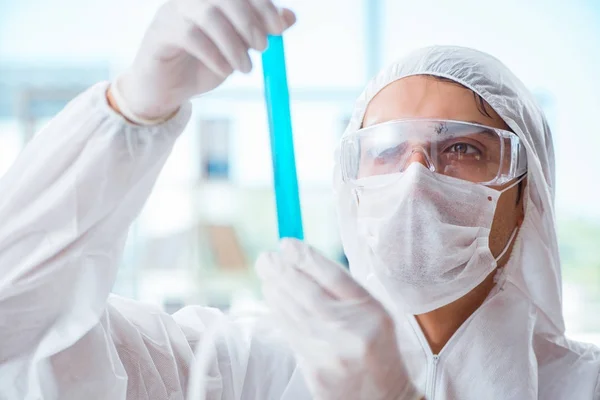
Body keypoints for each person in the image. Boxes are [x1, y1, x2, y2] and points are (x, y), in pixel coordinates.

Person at [0, 0, 599, 398]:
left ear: (528, 197)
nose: (416, 177)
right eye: (386, 150)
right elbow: (16, 323)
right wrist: (130, 111)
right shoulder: (237, 367)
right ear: (352, 190)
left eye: (463, 150)